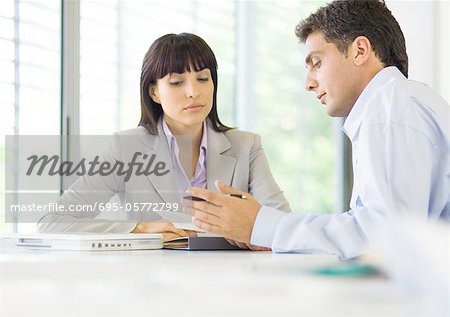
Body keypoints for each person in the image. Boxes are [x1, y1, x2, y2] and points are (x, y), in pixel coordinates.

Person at [186, 0, 450, 259]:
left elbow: (385, 238)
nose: (309, 83)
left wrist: (261, 226)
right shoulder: (399, 103)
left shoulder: (389, 112)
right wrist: (265, 232)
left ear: (360, 50)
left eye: (317, 62)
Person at [37, 33, 290, 242]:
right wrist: (139, 229)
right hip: (152, 285)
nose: (194, 92)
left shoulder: (247, 146)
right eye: (177, 82)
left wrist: (253, 234)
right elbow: (52, 222)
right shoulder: (126, 148)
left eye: (203, 78)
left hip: (230, 281)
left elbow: (283, 226)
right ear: (154, 92)